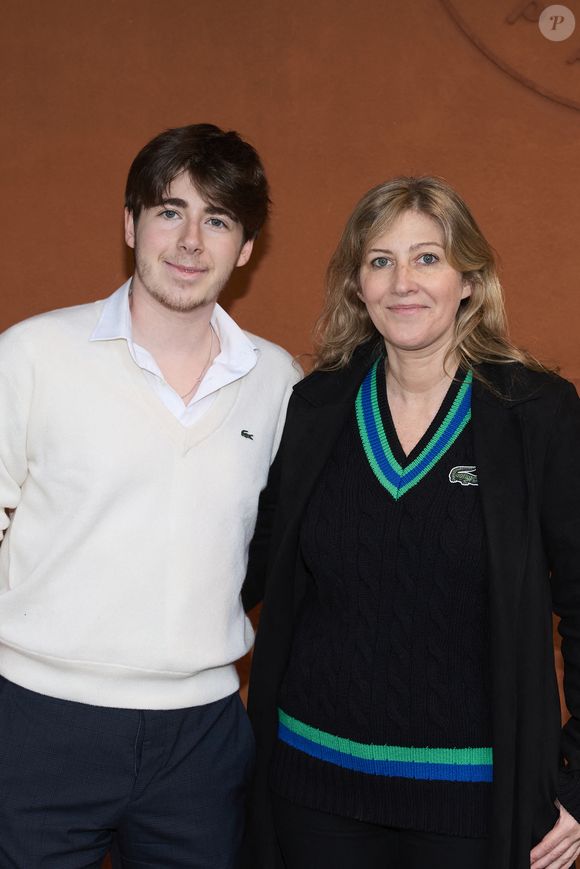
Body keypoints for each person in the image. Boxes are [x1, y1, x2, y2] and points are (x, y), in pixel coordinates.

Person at [242, 176, 580, 869]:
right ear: (356, 285)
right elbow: (240, 564)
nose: (404, 281)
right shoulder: (316, 409)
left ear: (469, 279)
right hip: (312, 787)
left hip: (472, 802)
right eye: (380, 260)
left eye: (428, 257)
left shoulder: (536, 414)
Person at [0, 123, 300, 869]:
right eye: (171, 210)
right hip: (39, 720)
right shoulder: (34, 353)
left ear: (246, 248)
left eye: (219, 219)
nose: (192, 240)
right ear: (130, 223)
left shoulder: (279, 381)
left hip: (200, 738)